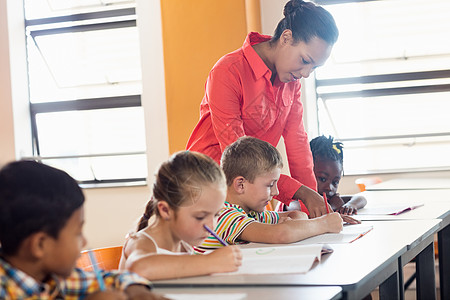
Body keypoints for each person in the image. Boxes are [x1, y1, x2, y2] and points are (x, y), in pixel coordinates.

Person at [186, 0, 339, 218]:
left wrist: (317, 211)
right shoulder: (228, 71)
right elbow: (238, 156)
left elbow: (298, 144)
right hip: (205, 189)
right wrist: (300, 192)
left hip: (251, 191)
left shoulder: (291, 83)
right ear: (286, 38)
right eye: (305, 60)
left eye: (313, 68)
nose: (306, 73)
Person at [0, 160, 164, 300]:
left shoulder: (52, 277)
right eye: (77, 233)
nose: (84, 241)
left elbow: (114, 278)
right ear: (40, 245)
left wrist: (135, 290)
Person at [196, 136, 345, 252]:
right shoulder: (222, 214)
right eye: (270, 185)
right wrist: (324, 224)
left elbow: (297, 216)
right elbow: (281, 234)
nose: (276, 192)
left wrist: (293, 224)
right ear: (240, 185)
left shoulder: (252, 213)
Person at [119, 151, 242, 280]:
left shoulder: (183, 244)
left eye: (216, 215)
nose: (211, 226)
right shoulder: (141, 241)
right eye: (200, 217)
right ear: (166, 210)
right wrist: (209, 262)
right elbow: (140, 269)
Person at [285, 135, 367, 215]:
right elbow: (295, 208)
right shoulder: (297, 197)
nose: (329, 188)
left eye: (335, 182)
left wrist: (350, 205)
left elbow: (361, 199)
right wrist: (334, 206)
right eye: (323, 179)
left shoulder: (329, 198)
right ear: (306, 173)